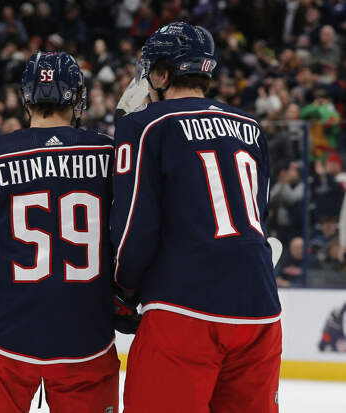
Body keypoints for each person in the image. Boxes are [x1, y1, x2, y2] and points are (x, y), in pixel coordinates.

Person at [0, 52, 120, 412]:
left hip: (1, 341)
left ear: (26, 98)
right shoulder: (110, 154)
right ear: (78, 98)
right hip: (86, 336)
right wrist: (125, 295)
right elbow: (126, 236)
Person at [111, 23, 282, 412]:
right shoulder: (251, 127)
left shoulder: (144, 124)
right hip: (261, 310)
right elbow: (259, 214)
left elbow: (135, 227)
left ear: (162, 73)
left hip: (184, 309)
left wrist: (123, 289)